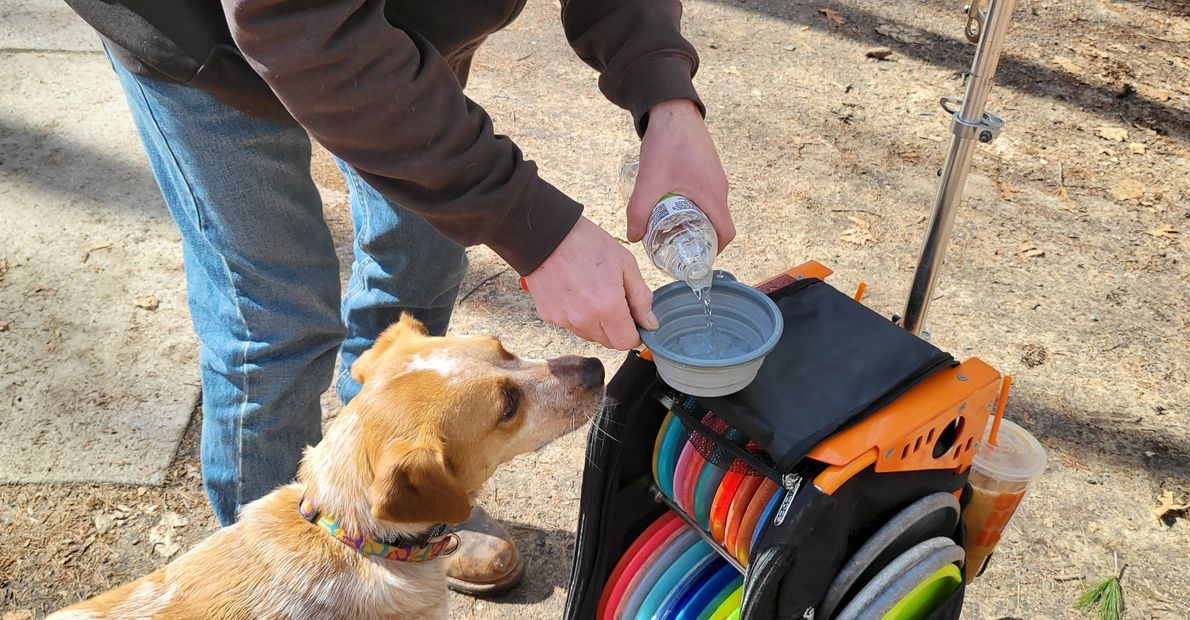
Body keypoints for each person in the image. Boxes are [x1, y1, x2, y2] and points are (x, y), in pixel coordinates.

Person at [63, 0, 732, 594]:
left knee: (424, 261)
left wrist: (665, 97)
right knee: (275, 319)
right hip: (202, 37)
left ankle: (410, 500)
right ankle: (279, 580)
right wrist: (535, 230)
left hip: (403, 46)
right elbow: (295, 21)